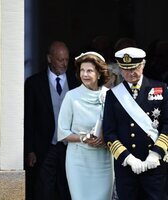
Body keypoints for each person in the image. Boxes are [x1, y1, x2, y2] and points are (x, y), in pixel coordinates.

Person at [103, 47, 168, 200]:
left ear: (143, 65)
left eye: (134, 69)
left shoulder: (160, 89)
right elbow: (109, 132)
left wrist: (156, 153)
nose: (130, 74)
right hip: (127, 168)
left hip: (155, 165)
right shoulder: (113, 95)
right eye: (125, 70)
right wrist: (127, 158)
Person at [24, 40, 79, 200]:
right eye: (60, 60)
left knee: (66, 189)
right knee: (44, 190)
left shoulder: (76, 82)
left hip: (70, 148)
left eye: (67, 60)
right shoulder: (34, 83)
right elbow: (28, 118)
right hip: (44, 148)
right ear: (49, 58)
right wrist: (30, 150)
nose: (64, 64)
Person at [58, 51, 114, 200]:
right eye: (82, 70)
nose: (85, 74)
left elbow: (116, 128)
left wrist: (105, 139)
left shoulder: (110, 96)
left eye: (89, 71)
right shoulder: (71, 96)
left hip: (104, 161)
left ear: (99, 73)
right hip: (78, 161)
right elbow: (62, 132)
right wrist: (83, 138)